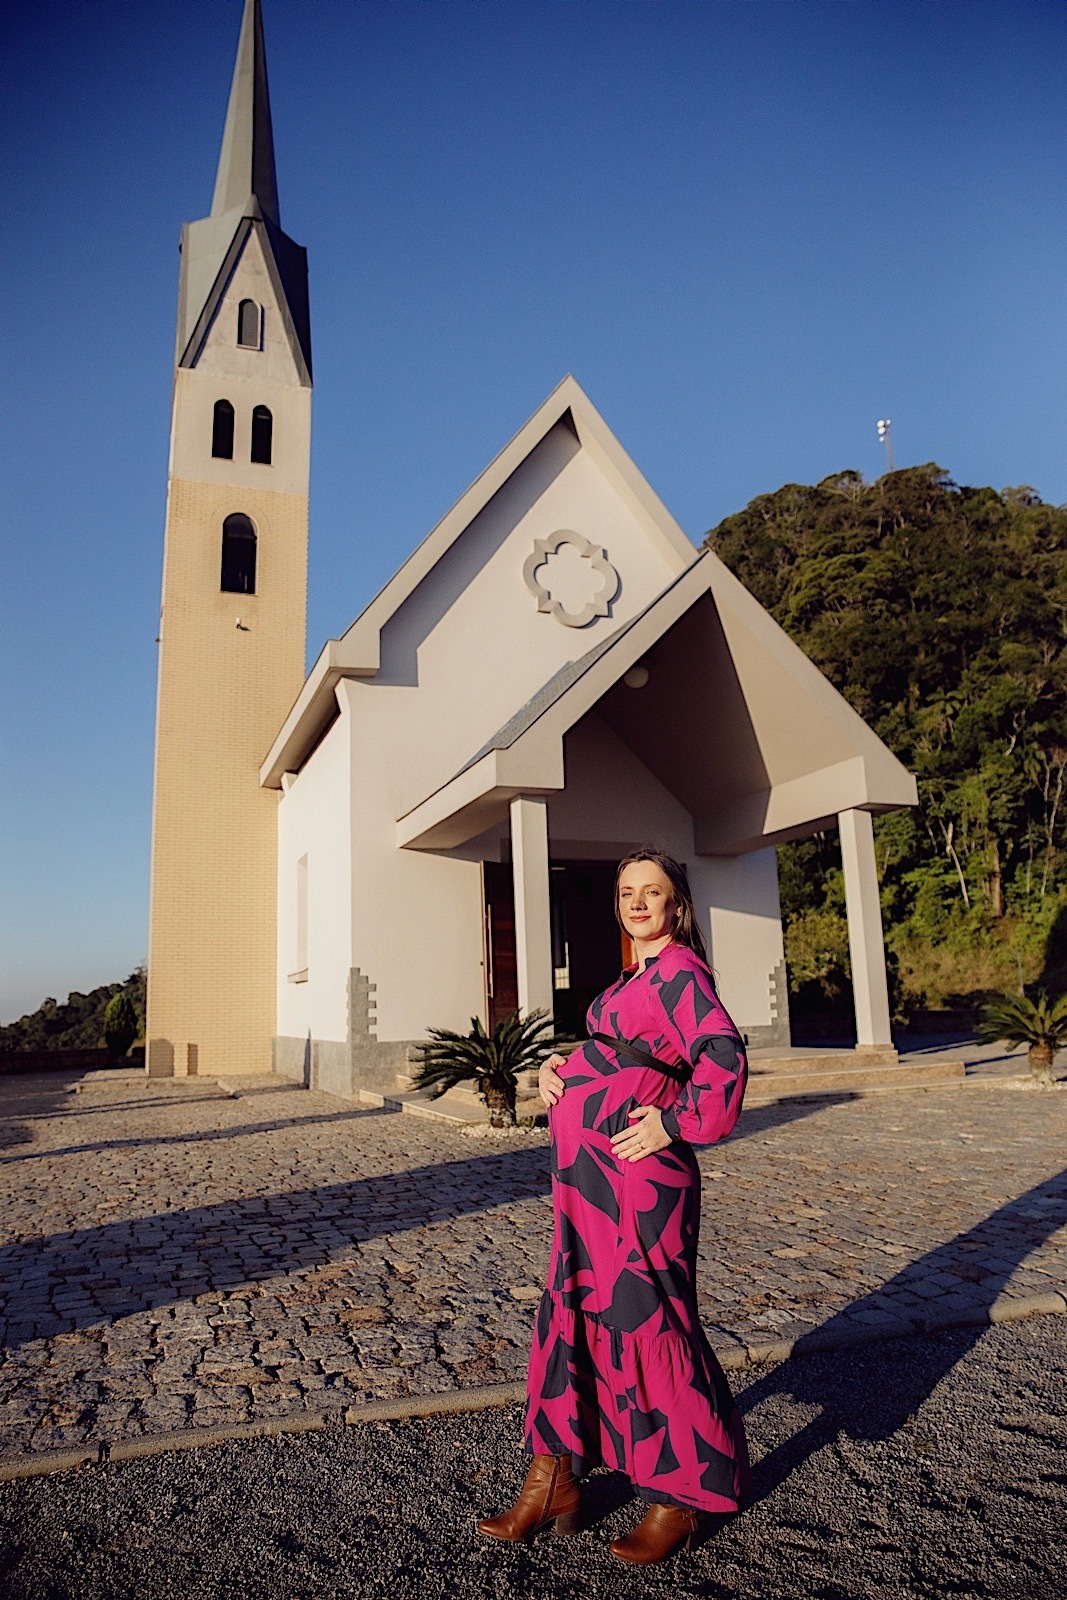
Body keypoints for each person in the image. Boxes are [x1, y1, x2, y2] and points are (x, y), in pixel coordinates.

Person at [478, 847, 751, 1566]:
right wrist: (558, 1066)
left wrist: (671, 1121)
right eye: (627, 891)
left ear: (675, 903)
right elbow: (626, 1053)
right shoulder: (636, 974)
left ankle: (682, 1497)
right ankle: (553, 1480)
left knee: (648, 1319)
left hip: (638, 1183)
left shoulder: (683, 972)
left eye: (651, 892)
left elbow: (722, 1060)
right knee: (570, 1309)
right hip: (585, 1184)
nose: (636, 902)